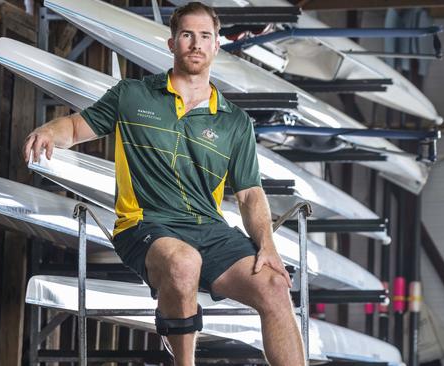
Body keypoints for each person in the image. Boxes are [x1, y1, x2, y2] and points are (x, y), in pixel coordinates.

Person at [22, 2, 305, 365]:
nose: (196, 44)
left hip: (210, 230)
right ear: (172, 43)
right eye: (187, 35)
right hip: (144, 225)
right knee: (184, 262)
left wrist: (267, 244)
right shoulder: (133, 95)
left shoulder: (235, 122)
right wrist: (48, 130)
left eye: (205, 36)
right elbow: (77, 128)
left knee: (274, 285)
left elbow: (250, 194)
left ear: (217, 45)